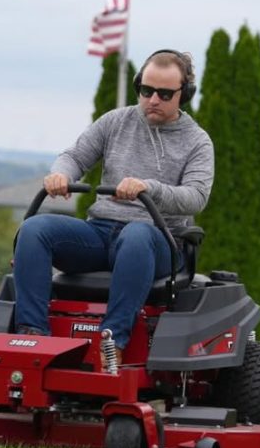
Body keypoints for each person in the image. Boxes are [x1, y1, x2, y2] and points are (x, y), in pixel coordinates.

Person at [12, 49, 214, 373]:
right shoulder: (115, 121)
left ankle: (113, 343)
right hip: (101, 232)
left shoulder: (197, 142)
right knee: (35, 230)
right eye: (146, 91)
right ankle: (33, 336)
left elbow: (196, 196)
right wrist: (61, 173)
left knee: (136, 235)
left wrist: (150, 188)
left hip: (159, 240)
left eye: (164, 94)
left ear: (184, 94)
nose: (153, 100)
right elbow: (75, 156)